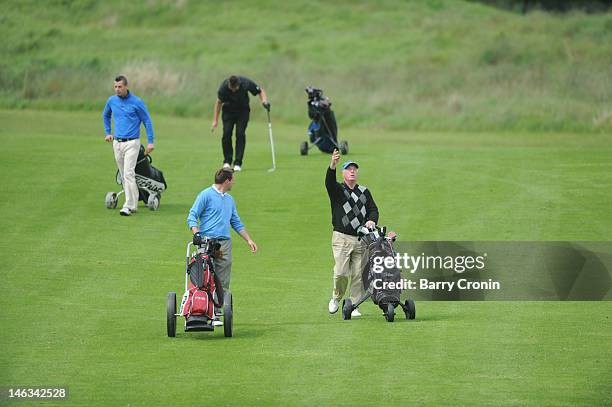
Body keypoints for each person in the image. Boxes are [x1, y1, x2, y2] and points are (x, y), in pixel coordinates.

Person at [187, 168, 258, 325]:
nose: (234, 182)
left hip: (224, 244)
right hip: (206, 241)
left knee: (222, 279)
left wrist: (249, 240)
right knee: (203, 276)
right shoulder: (205, 195)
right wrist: (196, 233)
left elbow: (236, 222)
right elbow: (192, 215)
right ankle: (200, 308)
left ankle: (216, 313)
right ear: (227, 181)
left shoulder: (229, 200)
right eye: (232, 180)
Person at [326, 149, 379, 317]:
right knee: (341, 272)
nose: (352, 171)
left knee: (358, 274)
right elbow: (329, 182)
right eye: (349, 169)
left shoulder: (364, 191)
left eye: (354, 169)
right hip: (341, 237)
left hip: (361, 239)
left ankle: (353, 305)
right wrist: (332, 165)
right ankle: (336, 298)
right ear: (343, 173)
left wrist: (371, 220)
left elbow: (373, 210)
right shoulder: (338, 190)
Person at [102, 75, 155, 216]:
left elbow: (147, 121)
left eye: (120, 87)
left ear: (126, 86)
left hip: (132, 143)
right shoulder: (112, 101)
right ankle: (131, 203)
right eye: (115, 87)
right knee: (124, 175)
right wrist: (108, 132)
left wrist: (150, 142)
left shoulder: (137, 102)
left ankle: (129, 205)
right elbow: (105, 115)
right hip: (117, 143)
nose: (117, 89)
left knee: (128, 173)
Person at [211, 75, 270, 172]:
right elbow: (218, 103)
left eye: (235, 88)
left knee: (240, 133)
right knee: (226, 134)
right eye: (232, 88)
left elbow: (260, 91)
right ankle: (227, 162)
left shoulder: (246, 83)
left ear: (239, 84)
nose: (234, 90)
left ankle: (237, 163)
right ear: (229, 85)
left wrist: (264, 101)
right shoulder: (223, 88)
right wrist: (215, 120)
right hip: (228, 112)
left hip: (243, 111)